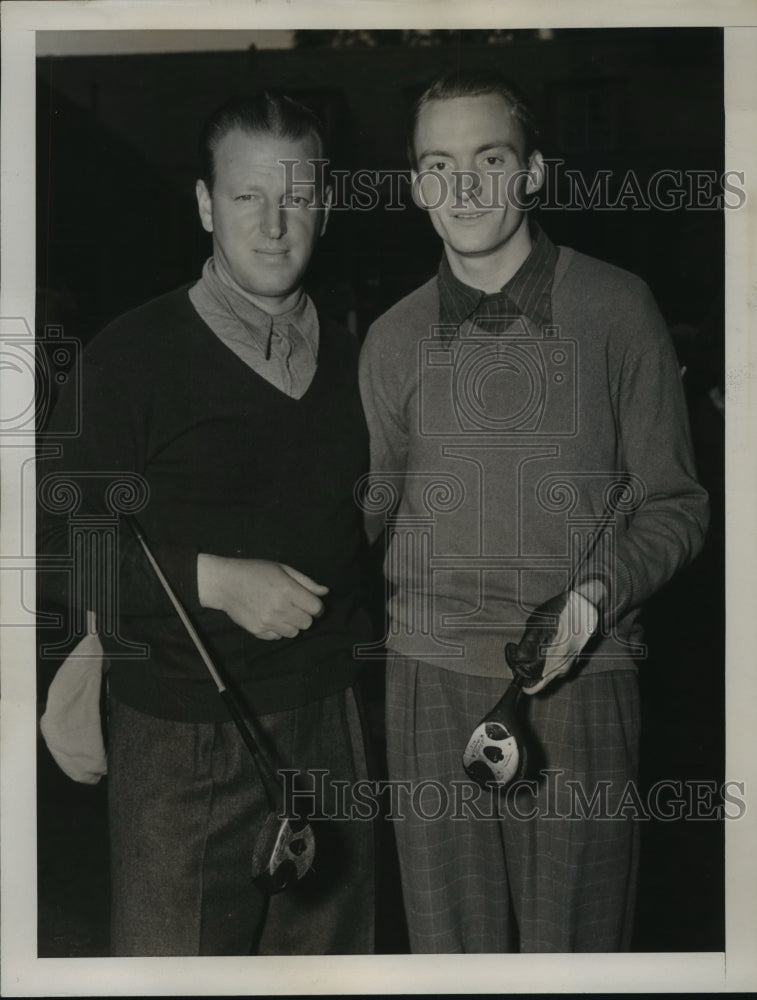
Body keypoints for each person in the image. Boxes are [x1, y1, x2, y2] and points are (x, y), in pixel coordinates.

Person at [358, 71, 709, 953]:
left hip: (581, 678)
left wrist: (595, 596)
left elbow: (675, 504)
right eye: (439, 164)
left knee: (576, 957)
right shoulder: (391, 336)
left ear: (534, 172)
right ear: (414, 187)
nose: (465, 187)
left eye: (490, 158)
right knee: (450, 957)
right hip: (425, 678)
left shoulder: (617, 306)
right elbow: (361, 517)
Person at [38, 92, 374, 956]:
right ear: (203, 206)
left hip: (327, 722)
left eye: (295, 196)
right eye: (245, 197)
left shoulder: (357, 363)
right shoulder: (130, 356)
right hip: (180, 735)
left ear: (325, 204)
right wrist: (215, 580)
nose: (272, 225)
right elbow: (52, 555)